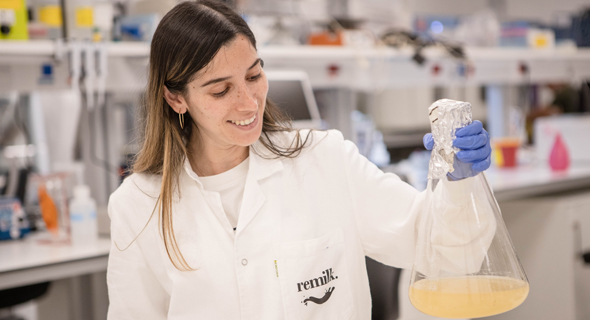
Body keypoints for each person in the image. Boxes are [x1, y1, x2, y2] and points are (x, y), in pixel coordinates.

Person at [106, 1, 492, 319]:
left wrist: (458, 188)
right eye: (221, 90)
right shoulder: (138, 206)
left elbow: (441, 248)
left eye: (254, 76)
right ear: (176, 98)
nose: (248, 102)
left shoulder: (324, 160)